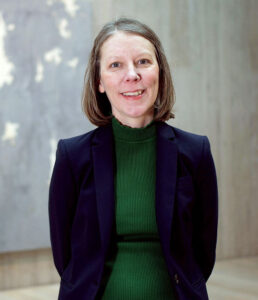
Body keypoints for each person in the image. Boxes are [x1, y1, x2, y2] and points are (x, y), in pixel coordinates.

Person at [49, 18, 218, 300]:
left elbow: (203, 253)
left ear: (160, 73)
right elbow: (65, 257)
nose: (132, 75)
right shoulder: (72, 156)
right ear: (99, 82)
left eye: (142, 62)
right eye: (115, 65)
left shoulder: (196, 152)